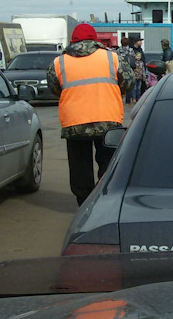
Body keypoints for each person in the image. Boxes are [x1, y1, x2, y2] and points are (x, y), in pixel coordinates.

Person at [47, 23, 133, 206]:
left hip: (75, 122)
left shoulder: (59, 62)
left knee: (80, 167)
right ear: (95, 40)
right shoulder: (112, 58)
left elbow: (55, 88)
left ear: (73, 40)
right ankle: (104, 202)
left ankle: (84, 203)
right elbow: (128, 83)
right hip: (108, 120)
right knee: (108, 164)